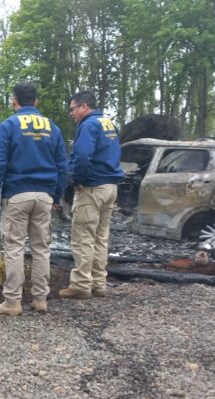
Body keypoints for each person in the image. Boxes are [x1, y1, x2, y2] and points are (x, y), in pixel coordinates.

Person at [0, 82, 67, 316]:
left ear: (14, 101)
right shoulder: (52, 127)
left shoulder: (9, 125)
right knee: (42, 248)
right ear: (36, 102)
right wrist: (57, 195)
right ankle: (41, 299)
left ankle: (12, 302)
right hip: (44, 196)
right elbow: (62, 165)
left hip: (17, 194)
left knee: (15, 249)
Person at [60, 91, 124, 300]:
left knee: (83, 238)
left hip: (92, 188)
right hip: (110, 187)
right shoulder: (108, 124)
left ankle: (81, 285)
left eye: (73, 109)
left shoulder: (88, 125)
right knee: (100, 237)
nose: (72, 114)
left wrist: (77, 180)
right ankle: (99, 283)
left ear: (84, 106)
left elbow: (82, 156)